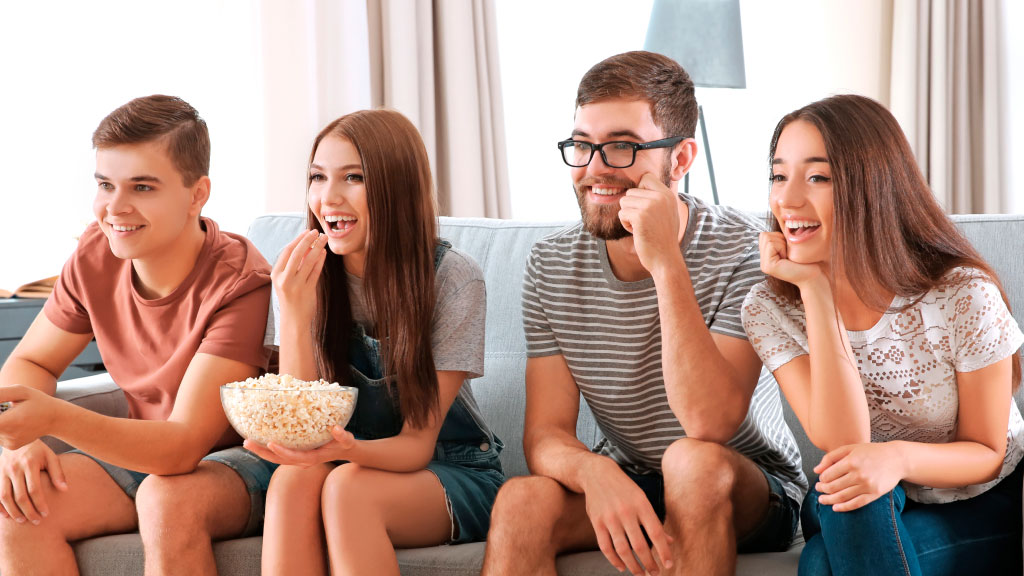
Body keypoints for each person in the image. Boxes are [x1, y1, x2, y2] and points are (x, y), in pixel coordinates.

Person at [481, 51, 806, 576]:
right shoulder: (550, 263)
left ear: (679, 160)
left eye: (622, 147)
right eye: (583, 145)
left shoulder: (747, 250)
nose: (594, 168)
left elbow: (708, 423)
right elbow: (545, 435)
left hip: (747, 484)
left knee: (691, 463)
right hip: (631, 473)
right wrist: (594, 473)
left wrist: (665, 263)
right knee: (522, 501)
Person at [741, 94, 1024, 575]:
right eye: (778, 175)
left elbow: (987, 452)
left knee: (820, 564)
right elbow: (841, 438)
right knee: (851, 483)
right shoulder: (770, 307)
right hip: (866, 498)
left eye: (817, 177)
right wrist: (816, 291)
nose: (787, 200)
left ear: (873, 187)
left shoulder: (960, 293)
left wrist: (892, 458)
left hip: (984, 498)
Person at [0, 95, 275, 575]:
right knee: (21, 508)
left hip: (246, 462)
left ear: (197, 194)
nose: (115, 208)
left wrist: (53, 418)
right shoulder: (95, 254)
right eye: (105, 184)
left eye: (142, 187)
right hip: (145, 452)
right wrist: (23, 442)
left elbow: (184, 444)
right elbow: (32, 363)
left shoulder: (241, 283)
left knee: (167, 499)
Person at [247, 108, 503, 576]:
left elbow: (416, 445)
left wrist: (341, 451)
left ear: (397, 187)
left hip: (449, 469)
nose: (329, 198)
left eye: (354, 177)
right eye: (318, 177)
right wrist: (296, 311)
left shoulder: (451, 278)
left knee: (347, 489)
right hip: (344, 459)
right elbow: (299, 431)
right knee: (290, 484)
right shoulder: (303, 275)